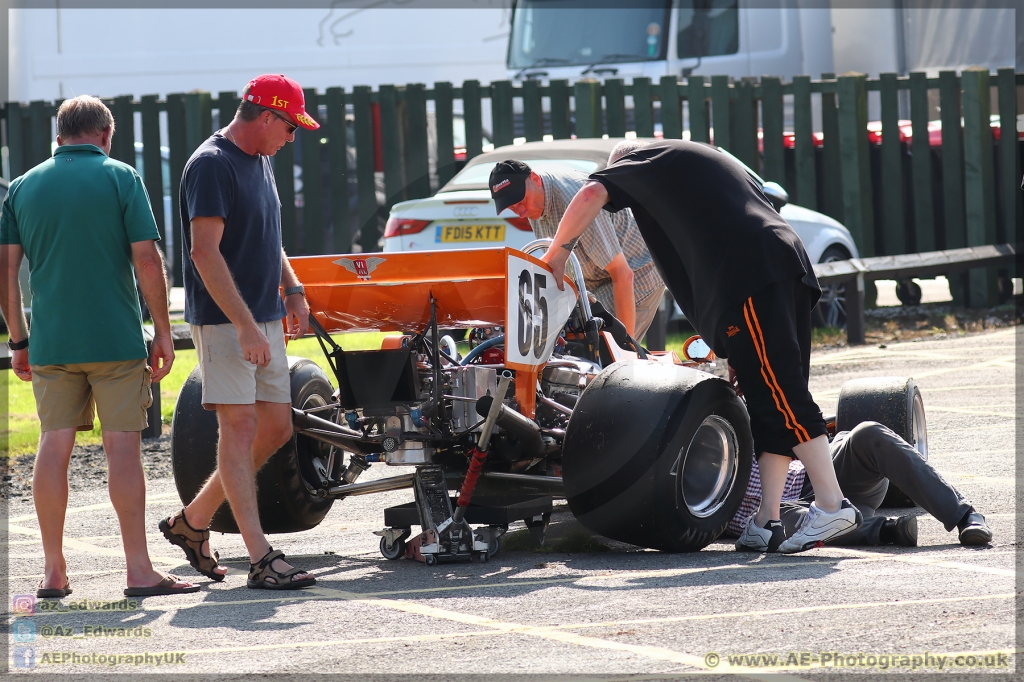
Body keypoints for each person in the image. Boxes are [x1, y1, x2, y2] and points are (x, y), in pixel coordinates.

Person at [540, 139, 861, 553]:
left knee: (782, 393)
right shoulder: (692, 163)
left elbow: (590, 192)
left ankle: (832, 504)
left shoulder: (643, 160)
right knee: (766, 398)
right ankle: (766, 519)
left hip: (751, 275)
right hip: (775, 265)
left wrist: (558, 252)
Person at [0, 95, 198, 597]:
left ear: (58, 135)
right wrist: (160, 328)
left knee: (54, 444)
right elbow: (147, 261)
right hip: (114, 339)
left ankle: (52, 570)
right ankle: (138, 570)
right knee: (123, 448)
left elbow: (6, 273)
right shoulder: (121, 177)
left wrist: (19, 339)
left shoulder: (22, 187)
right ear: (106, 135)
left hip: (51, 342)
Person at [159, 74, 317, 590]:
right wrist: (247, 325)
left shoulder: (261, 160)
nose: (292, 138)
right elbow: (204, 253)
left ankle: (193, 521)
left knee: (277, 427)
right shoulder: (211, 164)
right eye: (291, 127)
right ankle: (260, 557)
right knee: (241, 429)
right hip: (227, 322)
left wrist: (291, 288)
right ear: (267, 116)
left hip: (262, 318)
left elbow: (267, 236)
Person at [725, 421, 993, 550]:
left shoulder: (715, 417)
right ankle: (886, 529)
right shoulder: (687, 493)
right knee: (774, 526)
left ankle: (965, 515)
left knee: (868, 432)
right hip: (786, 509)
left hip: (819, 473)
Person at [489, 154, 666, 342]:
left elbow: (622, 274)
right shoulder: (536, 200)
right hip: (596, 279)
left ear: (535, 179)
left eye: (521, 202)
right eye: (513, 208)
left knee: (606, 352)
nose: (521, 212)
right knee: (574, 344)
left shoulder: (577, 199)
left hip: (638, 270)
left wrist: (624, 350)